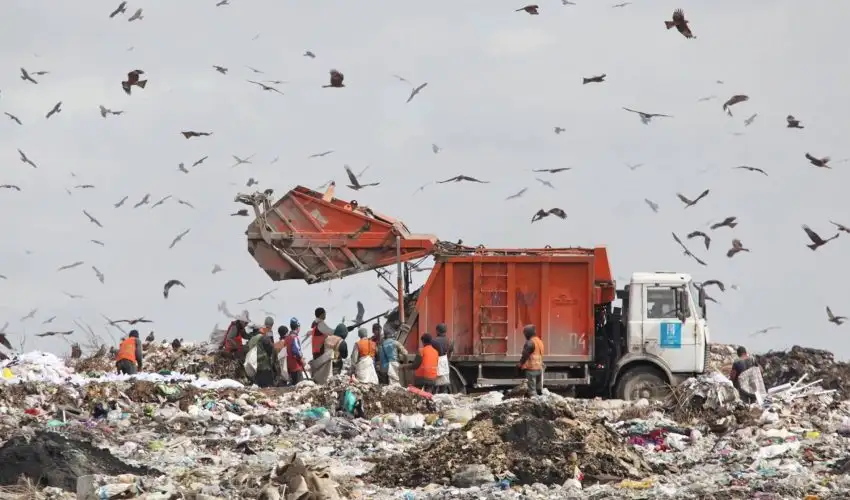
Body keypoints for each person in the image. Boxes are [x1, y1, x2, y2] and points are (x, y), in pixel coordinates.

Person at [517, 324, 544, 396]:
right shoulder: (539, 341)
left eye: (525, 333)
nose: (525, 335)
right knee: (539, 390)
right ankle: (540, 401)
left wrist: (520, 364)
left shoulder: (530, 342)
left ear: (528, 333)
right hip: (539, 368)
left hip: (531, 369)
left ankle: (535, 404)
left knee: (532, 391)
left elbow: (525, 355)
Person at [432, 323, 454, 394]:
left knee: (434, 384)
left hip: (435, 363)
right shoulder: (450, 341)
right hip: (445, 362)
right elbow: (450, 353)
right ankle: (442, 396)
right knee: (444, 382)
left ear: (437, 331)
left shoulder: (433, 341)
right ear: (446, 331)